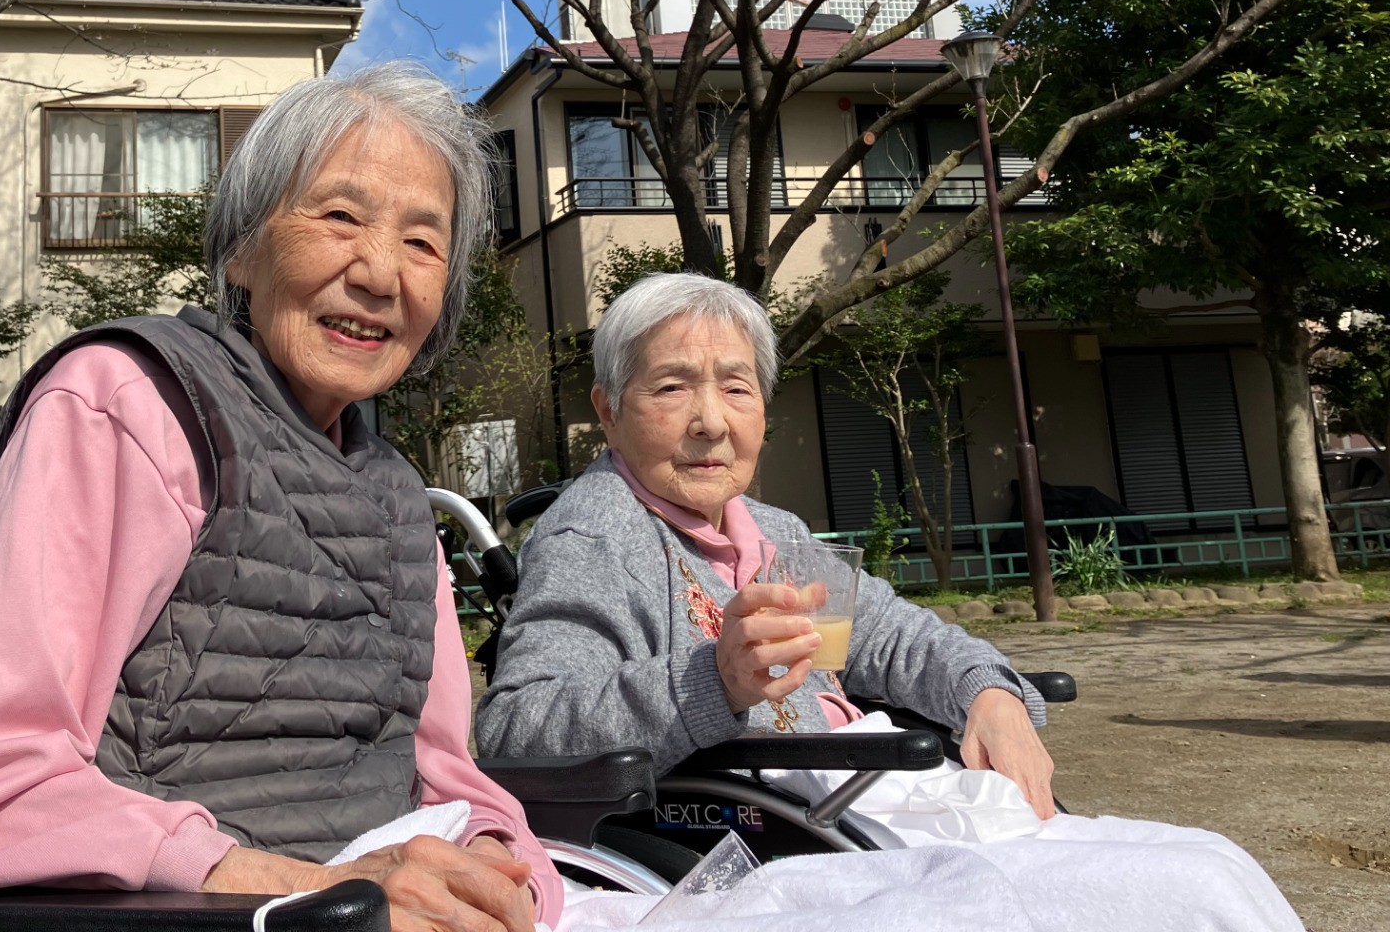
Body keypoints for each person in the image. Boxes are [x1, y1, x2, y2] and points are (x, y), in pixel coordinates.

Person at [0, 63, 559, 932]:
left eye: (424, 244)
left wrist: (502, 862)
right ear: (241, 250)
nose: (382, 274)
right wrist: (317, 895)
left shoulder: (398, 498)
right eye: (341, 217)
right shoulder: (127, 406)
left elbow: (444, 772)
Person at [473, 272, 1303, 930]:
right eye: (672, 389)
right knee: (1180, 891)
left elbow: (902, 641)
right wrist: (710, 682)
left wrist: (988, 692)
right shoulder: (596, 537)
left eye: (736, 388)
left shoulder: (771, 530)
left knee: (1213, 867)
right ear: (609, 412)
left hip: (887, 799)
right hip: (780, 828)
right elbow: (518, 728)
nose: (710, 422)